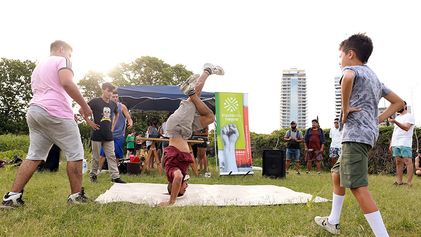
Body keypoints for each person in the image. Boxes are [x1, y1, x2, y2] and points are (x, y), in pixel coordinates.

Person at [314, 33, 403, 236]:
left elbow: (348, 77)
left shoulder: (352, 70)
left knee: (358, 187)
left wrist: (345, 108)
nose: (340, 61)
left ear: (351, 54)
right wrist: (376, 120)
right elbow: (398, 102)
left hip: (355, 136)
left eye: (341, 56)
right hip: (365, 136)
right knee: (337, 174)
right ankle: (333, 222)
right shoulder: (373, 76)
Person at [1, 40, 94, 209]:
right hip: (55, 113)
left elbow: (49, 91)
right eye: (69, 53)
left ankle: (12, 197)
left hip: (36, 112)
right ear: (61, 49)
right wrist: (85, 106)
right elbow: (67, 82)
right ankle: (76, 197)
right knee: (75, 153)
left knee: (34, 155)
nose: (69, 57)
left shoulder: (39, 67)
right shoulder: (63, 60)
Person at [158, 63, 224, 206]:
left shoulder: (173, 173)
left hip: (178, 127)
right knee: (209, 117)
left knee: (195, 96)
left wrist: (171, 201)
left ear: (176, 186)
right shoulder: (179, 171)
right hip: (184, 129)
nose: (186, 187)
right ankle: (201, 79)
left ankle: (207, 71)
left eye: (183, 189)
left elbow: (177, 177)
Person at [83, 82, 126, 184]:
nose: (109, 93)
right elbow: (82, 110)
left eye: (111, 91)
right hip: (97, 133)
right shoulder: (95, 101)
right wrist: (90, 122)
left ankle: (115, 177)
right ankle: (93, 176)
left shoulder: (112, 104)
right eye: (108, 91)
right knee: (96, 157)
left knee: (111, 156)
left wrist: (113, 125)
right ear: (102, 90)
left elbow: (117, 115)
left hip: (108, 134)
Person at [98, 90, 133, 173]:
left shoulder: (122, 107)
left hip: (119, 134)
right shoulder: (106, 107)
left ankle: (114, 171)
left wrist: (130, 123)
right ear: (110, 97)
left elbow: (129, 118)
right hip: (108, 133)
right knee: (103, 152)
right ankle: (98, 170)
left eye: (116, 97)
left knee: (117, 154)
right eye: (113, 97)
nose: (115, 98)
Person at [388, 101, 415, 187]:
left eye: (400, 105)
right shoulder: (398, 117)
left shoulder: (409, 116)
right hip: (396, 143)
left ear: (405, 106)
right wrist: (391, 143)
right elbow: (395, 131)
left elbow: (406, 128)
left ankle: (408, 182)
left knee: (408, 162)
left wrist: (395, 121)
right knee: (398, 162)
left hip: (405, 142)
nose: (398, 107)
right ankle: (399, 182)